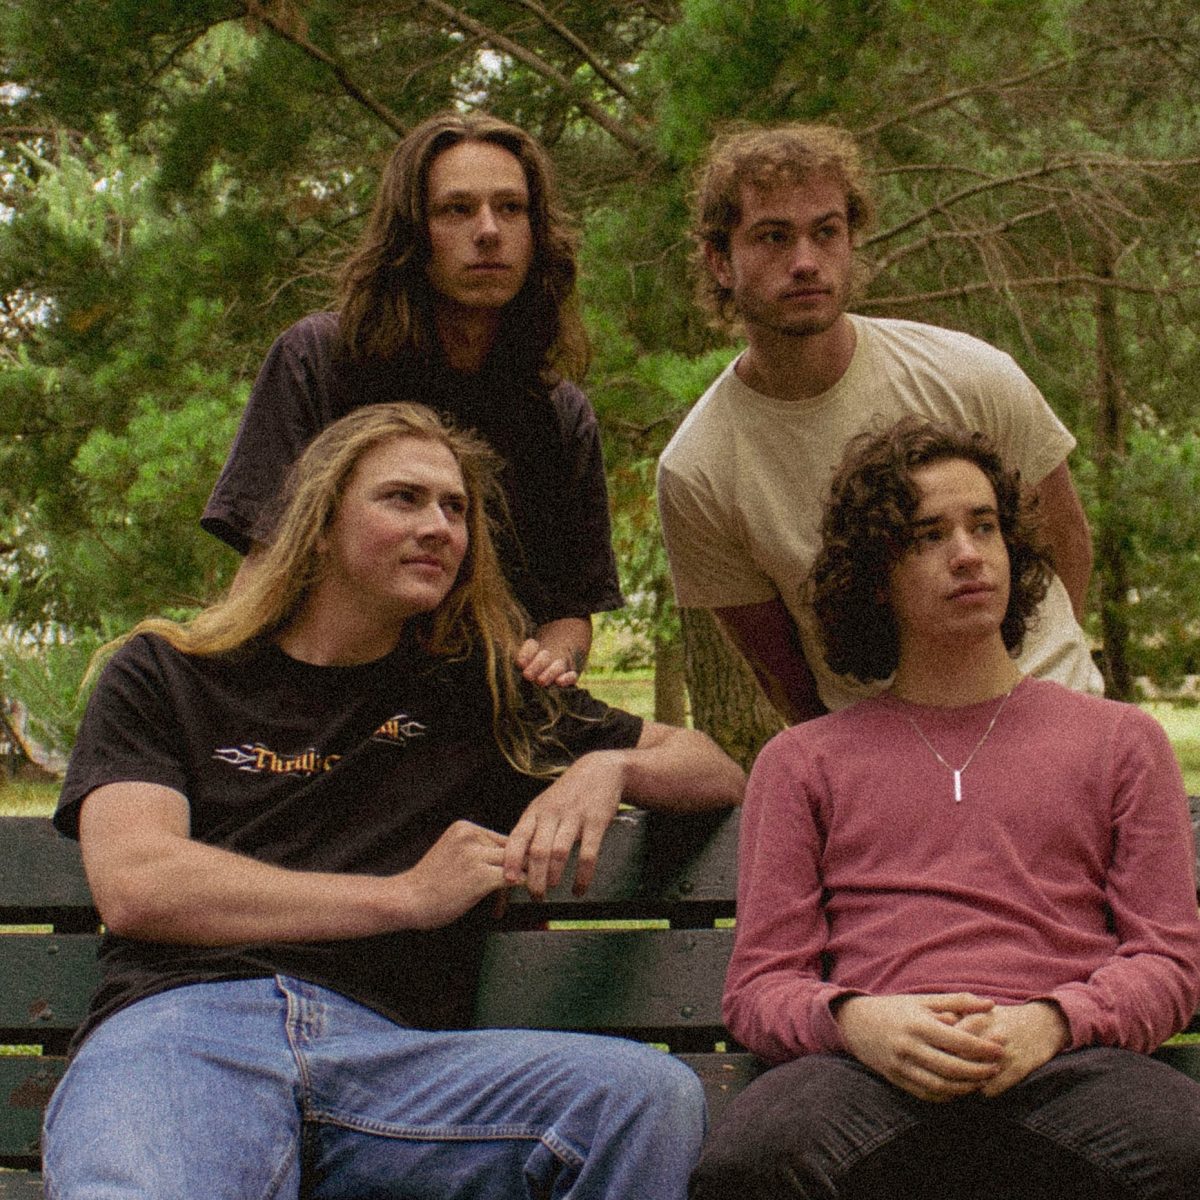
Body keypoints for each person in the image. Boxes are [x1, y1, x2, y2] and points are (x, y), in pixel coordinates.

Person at [43, 402, 745, 1200]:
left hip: (394, 1070)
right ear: (318, 525)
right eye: (402, 498)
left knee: (640, 1098)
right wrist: (405, 897)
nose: (440, 526)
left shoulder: (479, 692)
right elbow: (140, 884)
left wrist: (608, 768)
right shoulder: (170, 672)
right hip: (184, 1038)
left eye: (456, 508)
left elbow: (717, 771)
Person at [689, 419, 1200, 1200]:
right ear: (876, 575)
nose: (967, 553)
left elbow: (1167, 960)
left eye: (984, 526)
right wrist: (858, 1021)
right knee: (753, 1163)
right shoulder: (803, 762)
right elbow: (761, 983)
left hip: (1071, 1062)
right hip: (864, 1071)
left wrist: (1053, 1021)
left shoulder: (1121, 741)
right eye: (928, 535)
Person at [657, 122, 1103, 723]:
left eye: (827, 232)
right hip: (888, 756)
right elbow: (779, 668)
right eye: (773, 237)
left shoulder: (969, 373)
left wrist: (1036, 685)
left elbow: (1066, 541)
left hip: (1054, 714)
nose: (806, 262)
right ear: (719, 261)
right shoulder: (697, 471)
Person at [203, 110, 619, 688]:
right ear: (412, 233)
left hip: (483, 711)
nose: (489, 230)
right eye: (457, 209)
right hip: (331, 696)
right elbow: (263, 569)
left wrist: (553, 664)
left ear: (536, 231)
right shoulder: (319, 361)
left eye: (511, 208)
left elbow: (571, 610)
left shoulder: (558, 412)